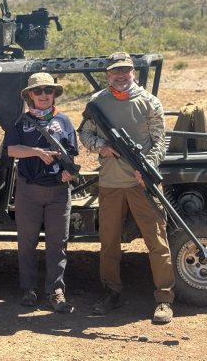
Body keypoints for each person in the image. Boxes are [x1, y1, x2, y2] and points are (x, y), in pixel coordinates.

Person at [78, 51, 175, 324]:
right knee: (109, 243)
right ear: (107, 74)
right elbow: (84, 133)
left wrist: (147, 169)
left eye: (126, 71)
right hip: (109, 183)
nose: (120, 76)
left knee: (157, 242)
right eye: (115, 71)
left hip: (141, 183)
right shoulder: (97, 102)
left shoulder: (149, 102)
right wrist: (102, 147)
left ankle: (165, 299)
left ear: (133, 72)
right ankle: (112, 292)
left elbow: (160, 141)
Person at [4, 72, 78, 313]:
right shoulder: (20, 122)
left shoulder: (65, 122)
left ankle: (56, 291)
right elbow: (11, 150)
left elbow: (72, 154)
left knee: (58, 243)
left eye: (48, 90)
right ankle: (28, 289)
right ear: (30, 96)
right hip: (28, 191)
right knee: (27, 242)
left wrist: (69, 173)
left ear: (54, 94)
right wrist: (36, 151)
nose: (44, 95)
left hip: (58, 191)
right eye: (38, 91)